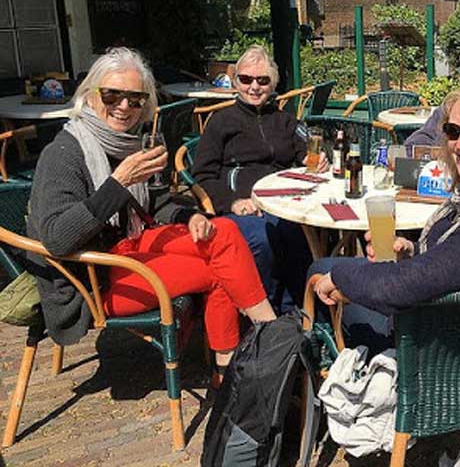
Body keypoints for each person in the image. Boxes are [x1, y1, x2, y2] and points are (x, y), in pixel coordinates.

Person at [311, 80, 460, 465]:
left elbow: (399, 288)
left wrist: (339, 277)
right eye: (453, 131)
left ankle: (344, 398)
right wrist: (414, 252)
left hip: (437, 356)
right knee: (343, 273)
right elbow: (456, 266)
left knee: (321, 272)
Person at [26, 47, 276, 371]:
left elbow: (156, 202)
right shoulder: (64, 153)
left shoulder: (129, 142)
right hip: (94, 276)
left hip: (132, 246)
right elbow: (58, 239)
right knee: (220, 272)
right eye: (112, 95)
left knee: (223, 229)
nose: (124, 106)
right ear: (90, 95)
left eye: (135, 98)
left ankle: (267, 336)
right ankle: (240, 362)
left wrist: (192, 217)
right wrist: (118, 183)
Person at [192, 45, 323, 311]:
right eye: (246, 79)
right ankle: (262, 312)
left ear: (272, 84)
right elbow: (203, 175)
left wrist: (317, 161)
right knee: (263, 239)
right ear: (236, 81)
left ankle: (303, 310)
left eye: (262, 80)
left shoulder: (284, 120)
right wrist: (232, 202)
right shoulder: (221, 121)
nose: (254, 87)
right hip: (242, 206)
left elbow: (305, 152)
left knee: (304, 233)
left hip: (284, 202)